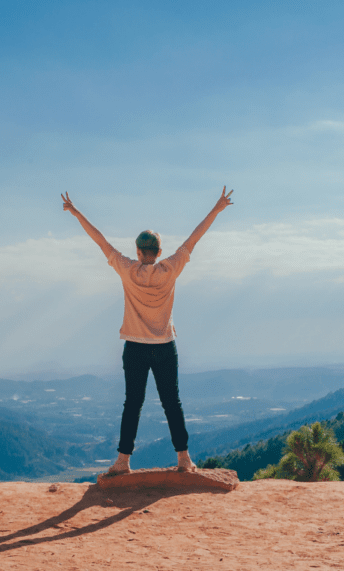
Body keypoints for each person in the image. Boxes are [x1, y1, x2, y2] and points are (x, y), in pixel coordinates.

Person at [61, 187, 234, 475]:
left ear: (139, 252)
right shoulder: (171, 268)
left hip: (136, 347)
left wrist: (76, 212)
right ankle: (184, 459)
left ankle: (122, 461)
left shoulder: (127, 269)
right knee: (172, 403)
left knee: (133, 404)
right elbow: (194, 238)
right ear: (160, 252)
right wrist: (217, 208)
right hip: (166, 345)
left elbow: (100, 241)